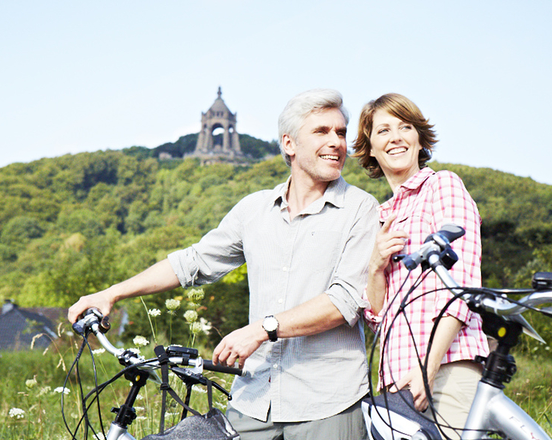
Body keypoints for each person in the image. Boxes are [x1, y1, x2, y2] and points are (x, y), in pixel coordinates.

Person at [68, 89, 379, 440]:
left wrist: (263, 328)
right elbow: (192, 262)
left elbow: (345, 301)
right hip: (254, 400)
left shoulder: (362, 209)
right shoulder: (254, 210)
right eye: (321, 132)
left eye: (340, 132)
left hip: (327, 403)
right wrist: (112, 293)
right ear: (289, 144)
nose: (337, 142)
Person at [351, 93, 490, 438]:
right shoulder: (379, 218)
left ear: (418, 138)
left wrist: (427, 367)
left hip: (446, 368)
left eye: (405, 126)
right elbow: (377, 318)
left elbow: (462, 288)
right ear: (370, 147)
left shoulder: (442, 185)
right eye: (383, 130)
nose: (395, 136)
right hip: (395, 380)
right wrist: (375, 267)